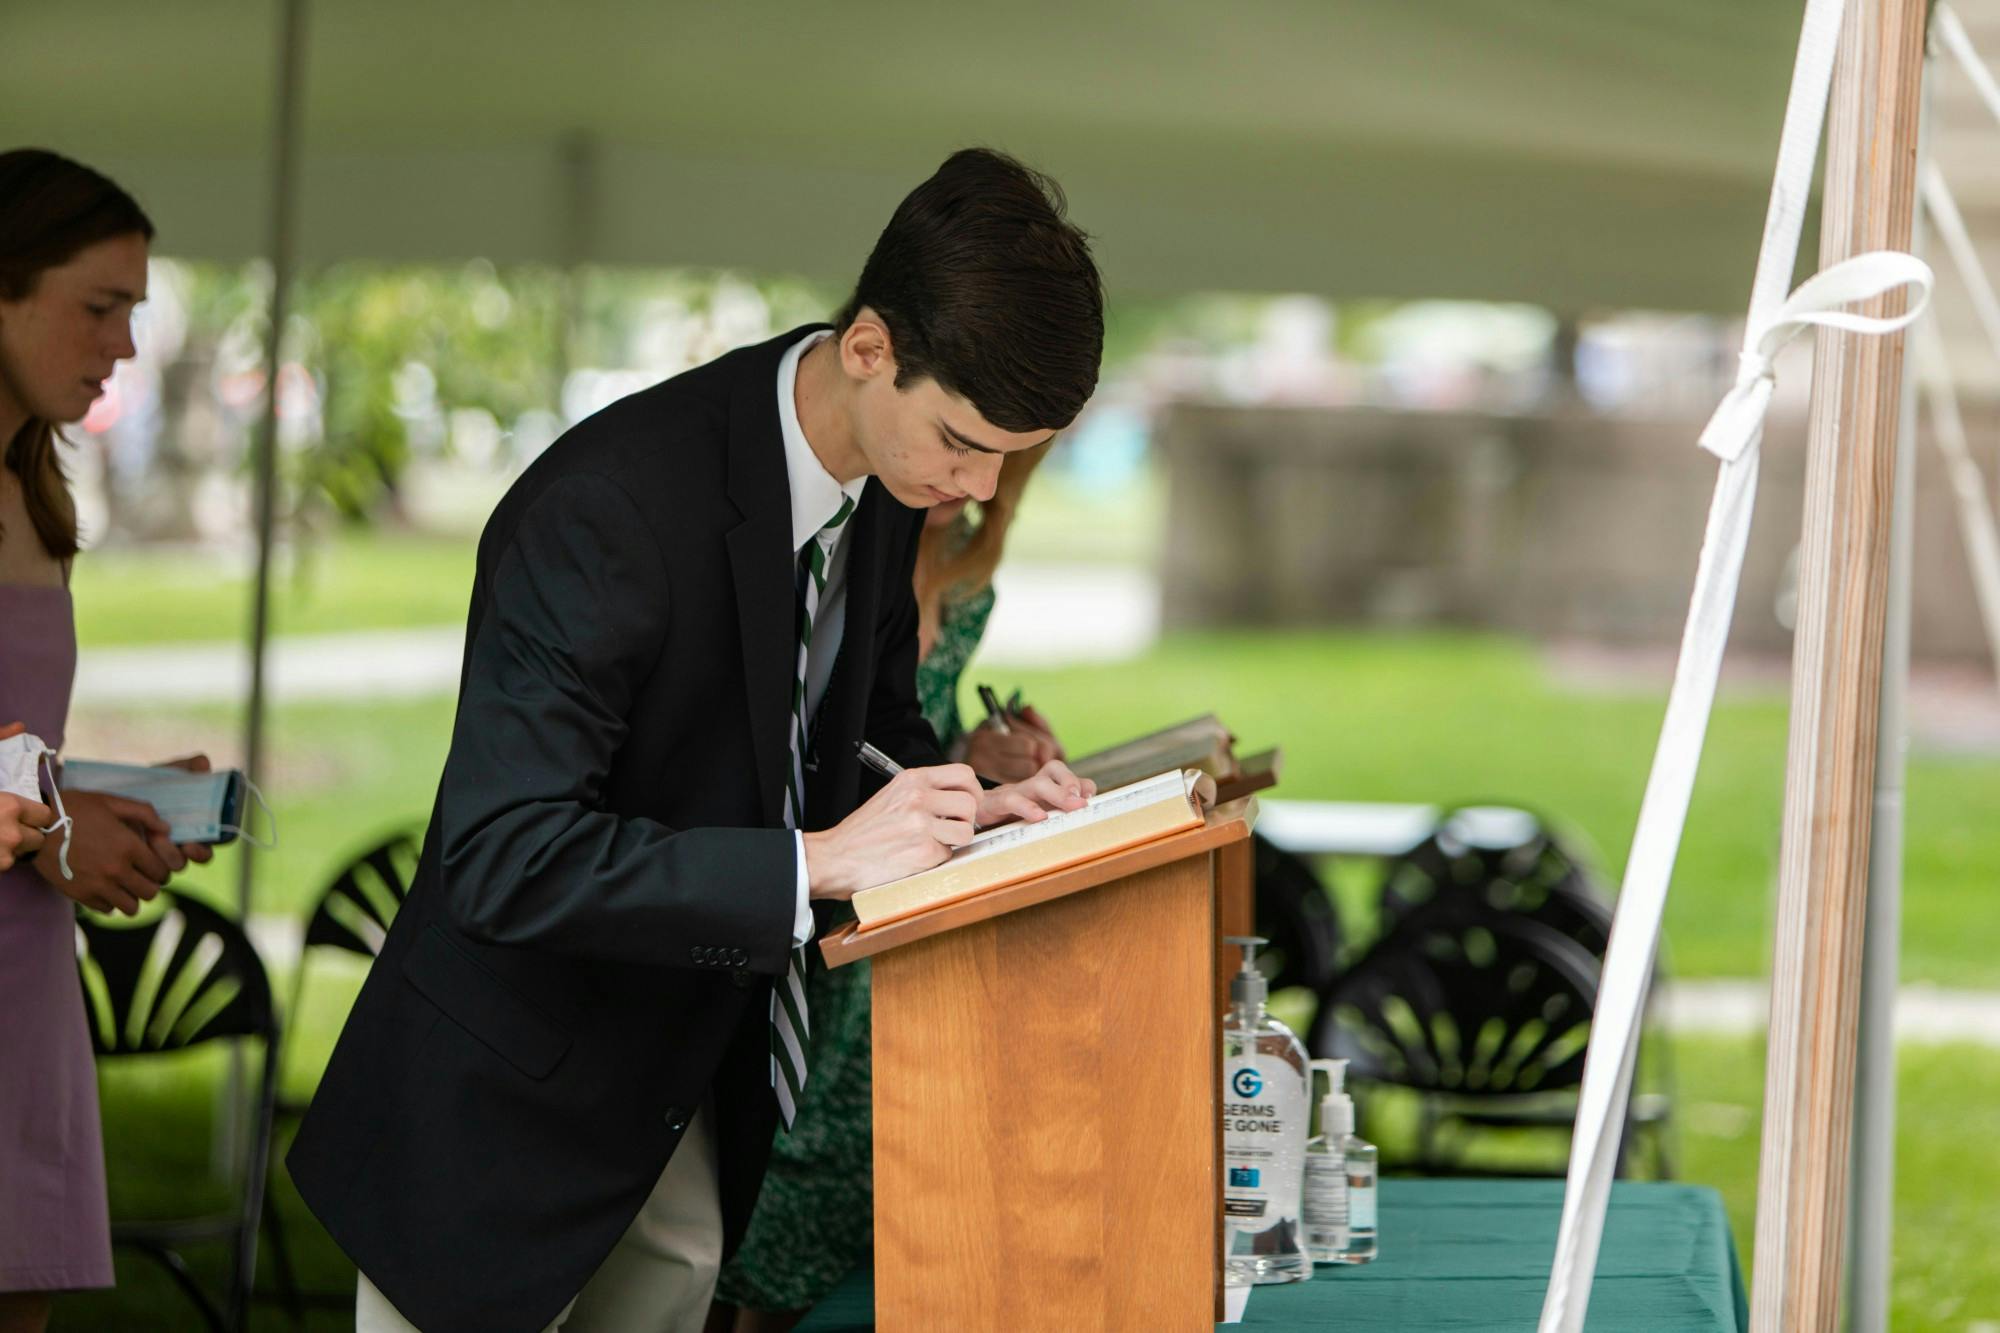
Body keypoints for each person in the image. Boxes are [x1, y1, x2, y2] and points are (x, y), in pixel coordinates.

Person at [287, 147, 1107, 1333]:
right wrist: (818, 861)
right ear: (870, 346)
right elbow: (506, 852)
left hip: (681, 1093)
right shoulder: (610, 507)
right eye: (963, 442)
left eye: (1007, 457)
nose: (977, 488)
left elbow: (865, 719)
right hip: (504, 1116)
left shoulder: (880, 480)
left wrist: (960, 801)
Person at [713, 432, 1070, 1329]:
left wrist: (979, 760)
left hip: (913, 874)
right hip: (825, 868)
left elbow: (905, 730)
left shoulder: (966, 570)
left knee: (892, 1123)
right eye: (956, 454)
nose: (966, 490)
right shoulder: (844, 539)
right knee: (792, 1119)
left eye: (995, 475)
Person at [0, 148, 213, 1333]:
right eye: (99, 306)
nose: (124, 346)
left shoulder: (35, 491)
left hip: (24, 976)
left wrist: (110, 795)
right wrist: (51, 826)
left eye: (133, 311)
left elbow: (13, 744)